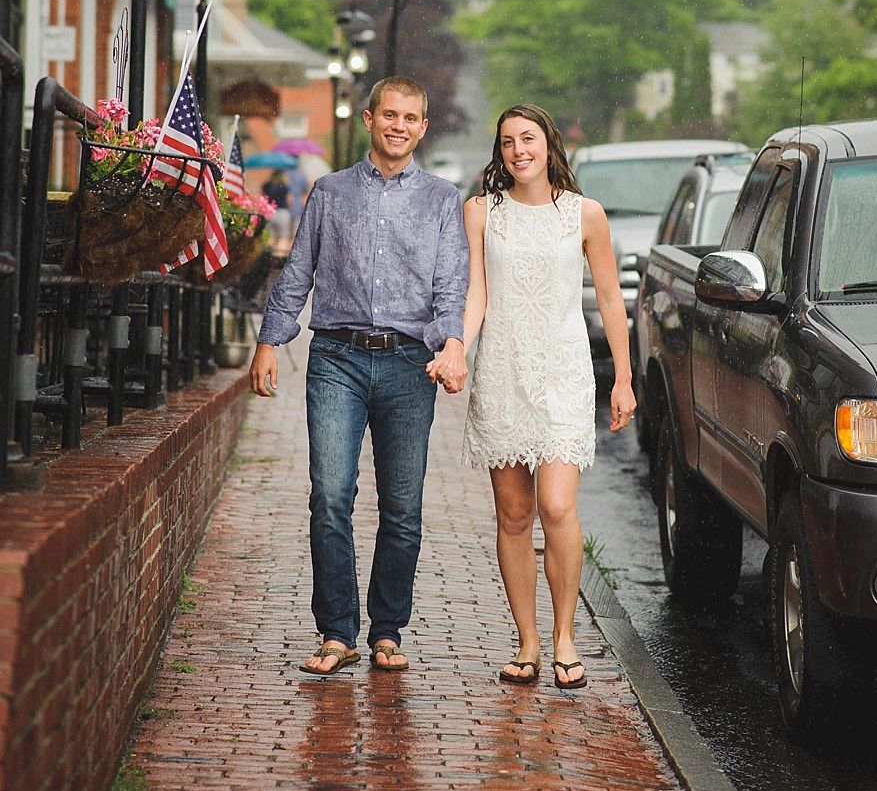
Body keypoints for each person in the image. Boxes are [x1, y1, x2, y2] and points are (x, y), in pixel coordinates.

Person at [249, 75, 469, 676]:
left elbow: (452, 285)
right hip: (337, 359)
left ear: (423, 127)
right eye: (389, 114)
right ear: (369, 119)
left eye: (410, 118)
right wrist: (270, 340)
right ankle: (337, 632)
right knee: (330, 496)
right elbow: (299, 271)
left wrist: (452, 345)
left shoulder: (442, 201)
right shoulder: (330, 192)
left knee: (401, 507)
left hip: (407, 364)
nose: (399, 125)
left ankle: (388, 630)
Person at [456, 104, 636, 691]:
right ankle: (528, 642)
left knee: (556, 506)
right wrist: (460, 345)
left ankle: (565, 636)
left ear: (548, 144)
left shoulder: (585, 214)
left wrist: (625, 379)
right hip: (503, 371)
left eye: (527, 139)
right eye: (507, 141)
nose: (518, 150)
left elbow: (610, 298)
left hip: (563, 373)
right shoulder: (483, 212)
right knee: (513, 514)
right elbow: (477, 290)